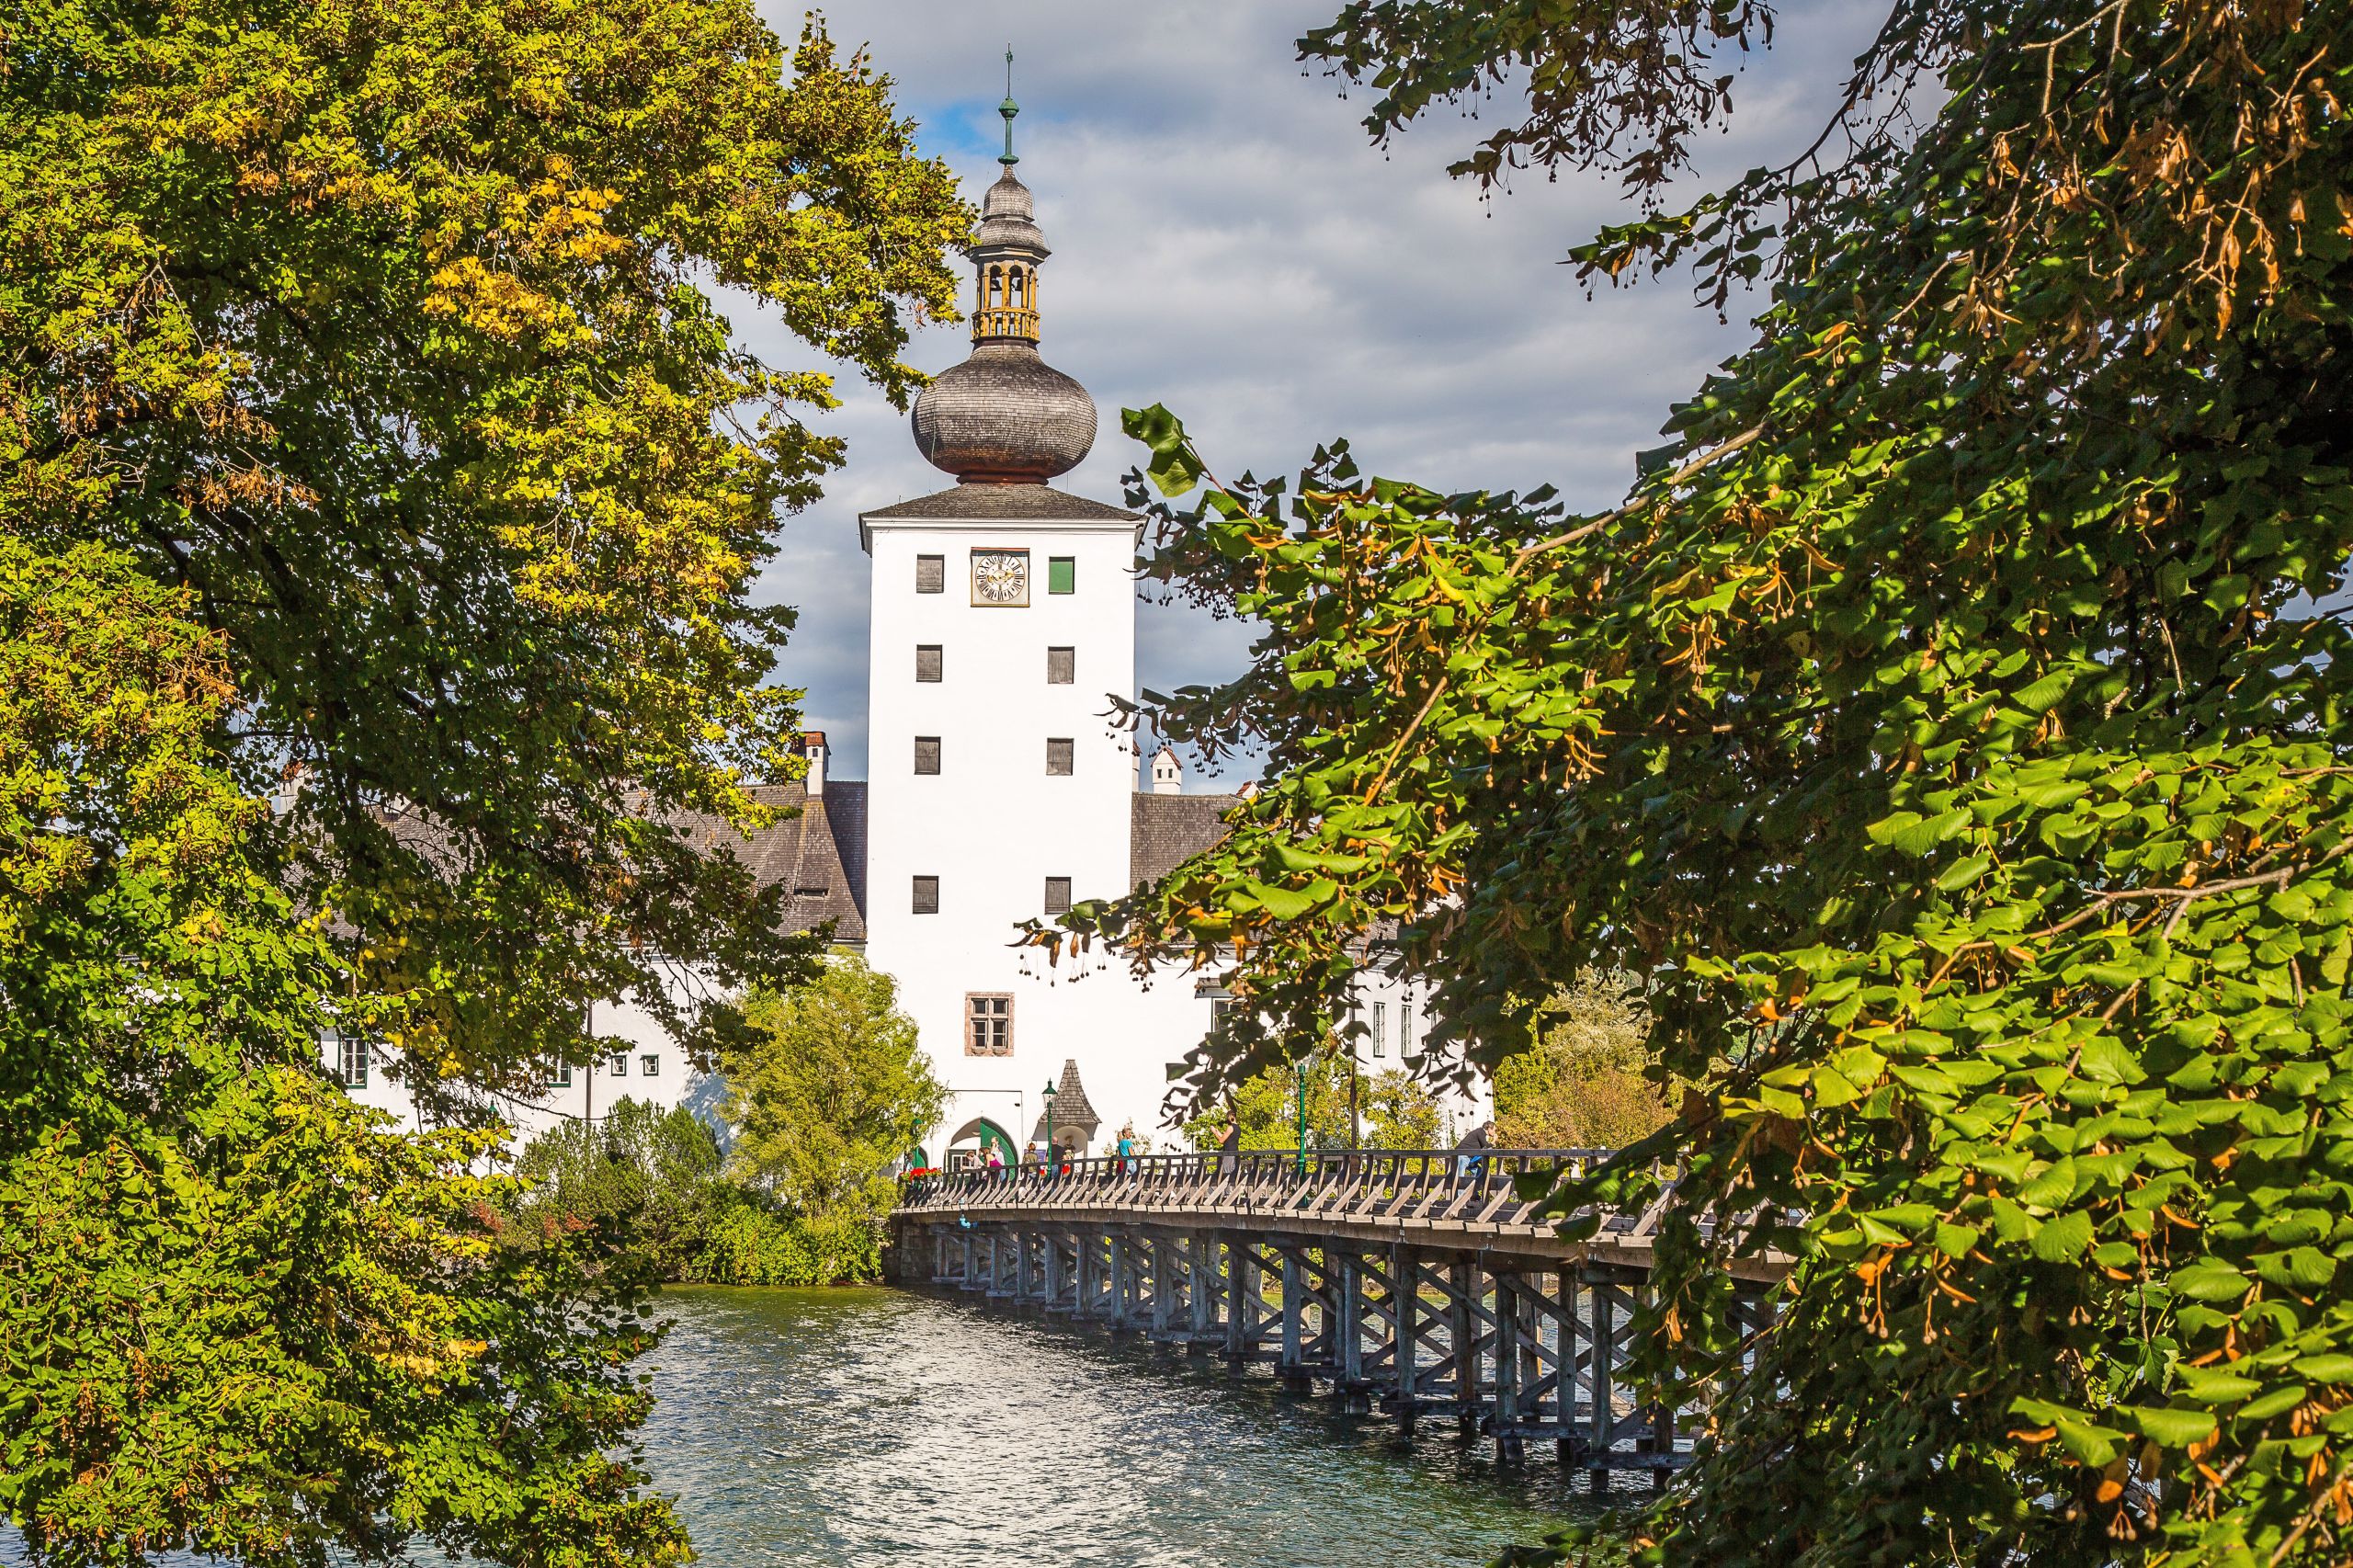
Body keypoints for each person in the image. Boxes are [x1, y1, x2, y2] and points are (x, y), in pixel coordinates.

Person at [1453, 1119, 1493, 1183]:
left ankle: (1473, 1190)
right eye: (1494, 1130)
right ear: (1489, 1128)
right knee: (1460, 1178)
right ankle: (1461, 1193)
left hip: (1469, 1158)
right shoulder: (1480, 1132)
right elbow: (1485, 1146)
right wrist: (1493, 1141)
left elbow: (1483, 1150)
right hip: (1462, 1155)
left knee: (1480, 1172)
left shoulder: (1481, 1134)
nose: (1494, 1132)